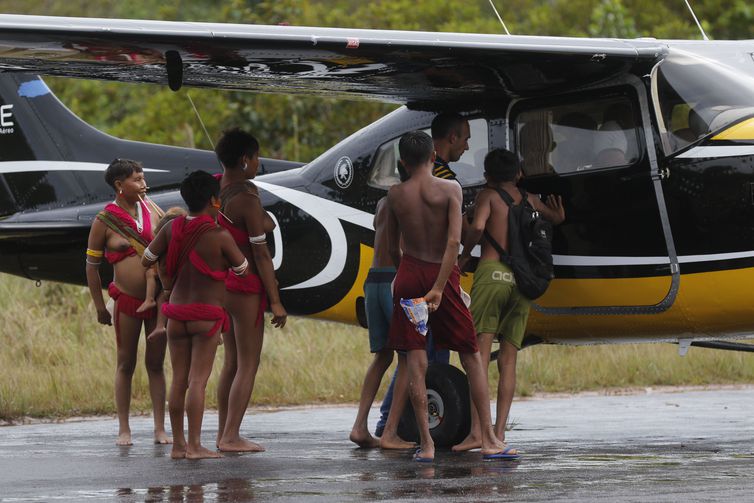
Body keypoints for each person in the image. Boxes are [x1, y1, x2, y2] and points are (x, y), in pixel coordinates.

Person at [385, 131, 506, 462]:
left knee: (415, 360)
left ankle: (426, 444)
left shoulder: (395, 194)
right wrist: (439, 286)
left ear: (404, 162)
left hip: (410, 275)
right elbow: (454, 243)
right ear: (431, 157)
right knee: (470, 353)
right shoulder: (450, 188)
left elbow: (394, 246)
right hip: (443, 275)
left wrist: (407, 275)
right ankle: (490, 438)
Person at [454, 148, 565, 453]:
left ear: (487, 176)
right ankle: (499, 433)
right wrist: (558, 213)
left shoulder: (488, 197)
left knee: (478, 356)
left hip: (492, 276)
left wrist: (465, 254)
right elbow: (554, 217)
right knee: (509, 359)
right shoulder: (529, 199)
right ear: (518, 173)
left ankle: (479, 432)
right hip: (523, 282)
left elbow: (477, 228)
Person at [143, 170, 249, 460]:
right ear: (215, 200)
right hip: (207, 315)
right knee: (197, 381)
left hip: (175, 313)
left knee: (178, 380)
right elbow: (242, 269)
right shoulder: (219, 235)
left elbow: (147, 258)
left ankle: (178, 446)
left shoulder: (170, 228)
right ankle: (195, 446)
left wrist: (168, 272)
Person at [85, 158, 170, 447]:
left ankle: (160, 429)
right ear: (120, 186)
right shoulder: (103, 220)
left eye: (144, 178)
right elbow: (91, 267)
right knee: (125, 363)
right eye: (137, 179)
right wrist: (99, 306)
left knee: (156, 364)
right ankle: (124, 429)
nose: (144, 184)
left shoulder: (154, 210)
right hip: (126, 301)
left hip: (156, 300)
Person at [214, 128, 287, 453]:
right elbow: (261, 253)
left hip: (224, 284)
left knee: (231, 361)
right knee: (248, 363)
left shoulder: (221, 188)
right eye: (256, 158)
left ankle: (223, 433)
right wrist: (276, 301)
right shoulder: (246, 198)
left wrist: (261, 219)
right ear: (245, 160)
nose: (259, 163)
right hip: (245, 287)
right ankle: (231, 436)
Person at [349, 196, 415, 450]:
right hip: (392, 279)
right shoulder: (409, 201)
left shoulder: (383, 202)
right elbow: (396, 249)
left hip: (373, 279)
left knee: (382, 357)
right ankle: (390, 432)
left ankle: (359, 426)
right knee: (408, 356)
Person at [144, 207, 188, 342]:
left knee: (162, 298)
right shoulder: (188, 244)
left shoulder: (162, 246)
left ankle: (159, 326)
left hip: (171, 291)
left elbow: (146, 260)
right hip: (186, 291)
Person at [430, 112, 471, 180]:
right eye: (465, 139)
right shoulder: (446, 181)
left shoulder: (416, 169)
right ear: (453, 138)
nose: (467, 147)